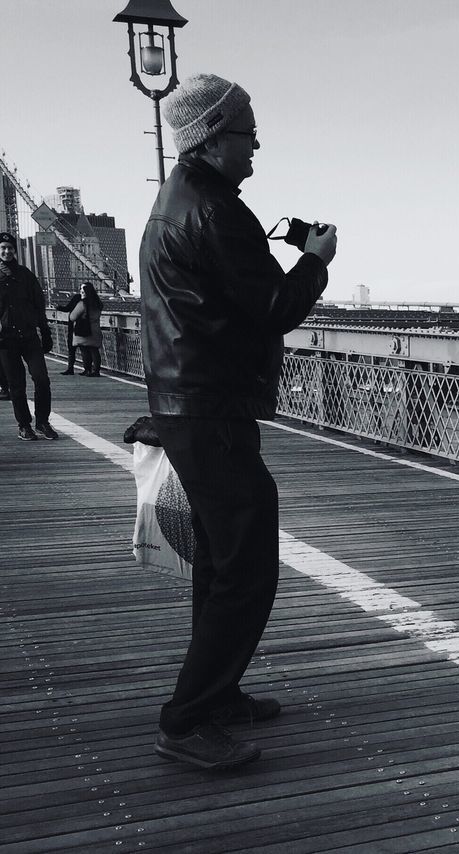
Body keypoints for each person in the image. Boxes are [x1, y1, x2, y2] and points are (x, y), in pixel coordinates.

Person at [140, 72, 337, 770]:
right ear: (213, 136)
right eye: (248, 131)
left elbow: (225, 300)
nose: (257, 144)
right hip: (211, 407)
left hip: (190, 402)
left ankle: (217, 694)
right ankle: (188, 718)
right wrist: (313, 262)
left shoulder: (180, 200)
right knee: (247, 565)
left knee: (221, 558)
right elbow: (277, 309)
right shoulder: (216, 211)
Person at [0, 231, 57, 441]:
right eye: (3, 248)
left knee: (42, 379)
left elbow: (38, 306)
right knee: (17, 385)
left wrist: (46, 333)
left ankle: (42, 421)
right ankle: (24, 425)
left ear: (15, 251)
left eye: (10, 248)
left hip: (29, 336)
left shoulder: (26, 275)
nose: (6, 251)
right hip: (5, 340)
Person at [68, 282, 103, 376]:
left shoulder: (82, 304)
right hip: (95, 329)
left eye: (82, 292)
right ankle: (96, 371)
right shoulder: (98, 303)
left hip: (83, 330)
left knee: (84, 350)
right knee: (94, 350)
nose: (81, 293)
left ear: (87, 293)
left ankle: (87, 369)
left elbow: (72, 317)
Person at [56, 289, 82, 375]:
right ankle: (88, 369)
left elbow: (68, 308)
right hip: (85, 328)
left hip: (74, 327)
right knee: (85, 349)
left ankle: (70, 368)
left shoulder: (77, 298)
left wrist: (58, 307)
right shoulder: (90, 300)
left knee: (71, 349)